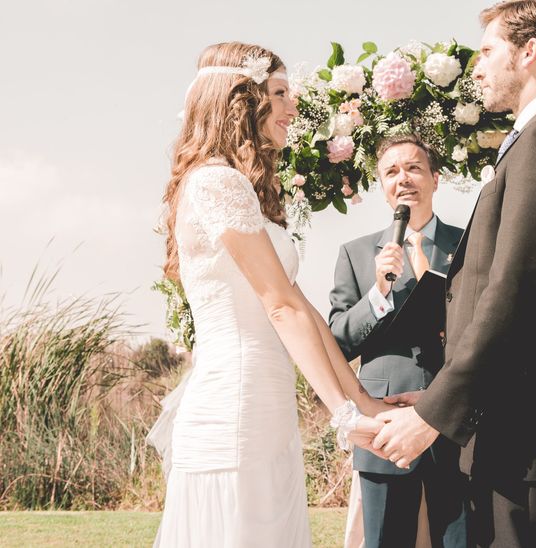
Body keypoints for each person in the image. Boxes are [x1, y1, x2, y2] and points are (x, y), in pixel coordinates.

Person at [371, 1, 536, 545]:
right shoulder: (528, 140)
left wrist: (433, 414)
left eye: (487, 50)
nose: (476, 66)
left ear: (529, 52)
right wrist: (433, 395)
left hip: (524, 437)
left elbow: (516, 291)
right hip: (500, 432)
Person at [151, 42, 386, 547]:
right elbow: (278, 306)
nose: (291, 107)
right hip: (234, 408)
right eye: (278, 93)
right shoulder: (215, 183)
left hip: (265, 405)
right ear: (243, 100)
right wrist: (341, 417)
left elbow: (300, 306)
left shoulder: (243, 189)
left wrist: (361, 400)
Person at [329, 134, 467, 548]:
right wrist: (378, 294)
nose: (403, 178)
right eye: (391, 172)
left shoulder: (470, 244)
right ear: (382, 186)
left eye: (413, 168)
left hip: (456, 423)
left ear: (435, 179)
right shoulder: (355, 254)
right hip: (384, 427)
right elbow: (336, 341)